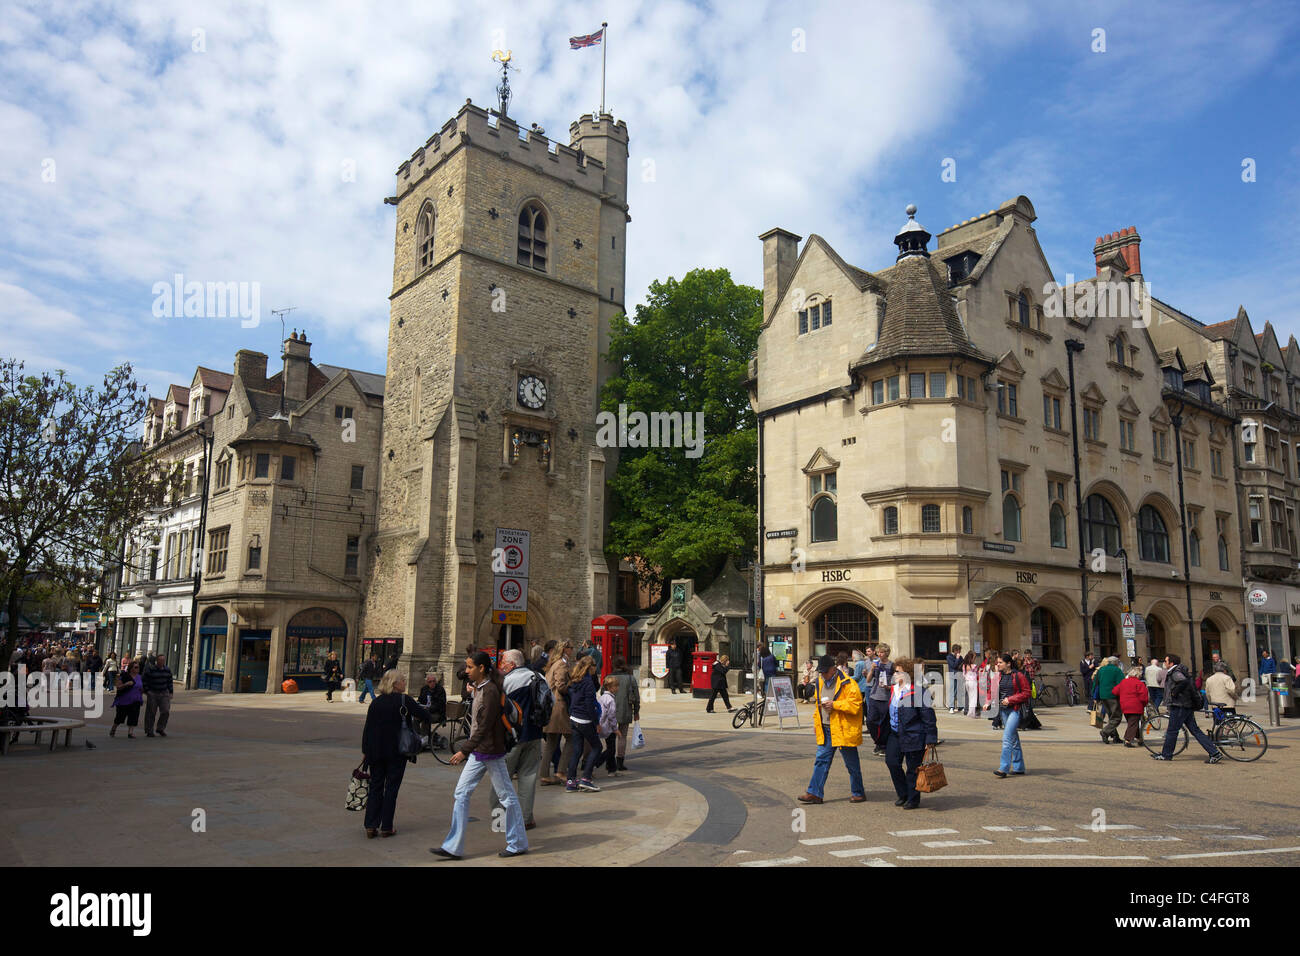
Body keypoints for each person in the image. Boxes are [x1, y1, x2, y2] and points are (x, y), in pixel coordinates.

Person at [431, 652, 528, 859]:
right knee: (461, 793)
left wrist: (463, 750)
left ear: (481, 668)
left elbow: (483, 727)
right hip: (479, 751)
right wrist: (473, 691)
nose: (466, 671)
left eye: (469, 667)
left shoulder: (491, 691)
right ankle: (453, 847)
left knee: (507, 797)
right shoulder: (482, 688)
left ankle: (518, 842)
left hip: (491, 751)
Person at [360, 669, 430, 838]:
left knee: (376, 786)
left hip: (376, 752)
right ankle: (386, 826)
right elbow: (425, 715)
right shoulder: (404, 700)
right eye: (403, 681)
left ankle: (371, 825)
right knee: (391, 788)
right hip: (396, 752)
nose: (405, 683)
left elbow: (367, 729)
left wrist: (365, 751)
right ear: (395, 684)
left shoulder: (376, 703)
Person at [797, 655, 866, 804]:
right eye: (821, 672)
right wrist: (817, 724)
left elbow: (855, 705)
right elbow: (817, 706)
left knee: (851, 764)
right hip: (826, 728)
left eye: (825, 672)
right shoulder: (820, 681)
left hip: (842, 729)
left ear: (833, 669)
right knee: (821, 761)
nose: (822, 675)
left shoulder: (849, 683)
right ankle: (814, 793)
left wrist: (835, 705)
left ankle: (858, 792)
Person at [490, 649, 543, 830]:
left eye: (503, 662)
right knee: (528, 780)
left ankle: (500, 822)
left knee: (501, 781)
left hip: (511, 738)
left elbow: (494, 706)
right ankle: (526, 819)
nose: (501, 665)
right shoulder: (539, 677)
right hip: (535, 735)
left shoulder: (507, 681)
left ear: (512, 665)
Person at [885, 657, 939, 808]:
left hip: (913, 735)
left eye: (897, 672)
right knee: (892, 763)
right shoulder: (893, 690)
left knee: (912, 769)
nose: (894, 674)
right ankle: (903, 793)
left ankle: (913, 798)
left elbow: (928, 717)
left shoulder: (919, 692)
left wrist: (931, 738)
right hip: (895, 733)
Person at [1153, 653, 1222, 763]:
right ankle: (1214, 752)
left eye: (1165, 661)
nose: (1164, 663)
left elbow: (1183, 681)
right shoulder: (1180, 670)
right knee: (1195, 730)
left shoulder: (1176, 672)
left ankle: (1166, 755)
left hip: (1179, 705)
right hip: (1186, 705)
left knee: (1172, 731)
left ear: (1171, 663)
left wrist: (1174, 692)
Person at [564, 655, 603, 792]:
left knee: (577, 750)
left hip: (574, 718)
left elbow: (570, 698)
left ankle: (571, 781)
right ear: (589, 667)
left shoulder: (575, 680)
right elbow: (589, 704)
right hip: (584, 719)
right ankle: (586, 778)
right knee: (597, 747)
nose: (595, 669)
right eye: (594, 666)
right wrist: (596, 723)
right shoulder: (588, 683)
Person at [540, 640, 572, 786]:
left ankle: (544, 775)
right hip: (559, 706)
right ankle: (561, 771)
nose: (572, 650)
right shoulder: (562, 664)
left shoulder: (553, 664)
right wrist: (573, 688)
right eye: (571, 648)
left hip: (551, 705)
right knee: (572, 738)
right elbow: (561, 685)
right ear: (565, 649)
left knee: (551, 742)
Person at [993, 653, 1031, 777]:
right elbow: (994, 691)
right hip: (1004, 711)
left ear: (1008, 663)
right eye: (997, 662)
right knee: (1013, 739)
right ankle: (1019, 767)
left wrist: (1010, 699)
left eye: (1000, 662)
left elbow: (1027, 692)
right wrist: (989, 702)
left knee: (1007, 738)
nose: (997, 664)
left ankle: (1003, 768)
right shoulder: (999, 676)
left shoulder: (1018, 675)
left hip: (1015, 710)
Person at [864, 643, 895, 756]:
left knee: (884, 724)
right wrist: (871, 669)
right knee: (870, 721)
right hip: (874, 695)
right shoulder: (875, 664)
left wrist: (889, 687)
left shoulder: (892, 666)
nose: (879, 654)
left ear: (886, 653)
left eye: (881, 652)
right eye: (878, 652)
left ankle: (882, 746)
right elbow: (868, 680)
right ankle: (878, 742)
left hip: (886, 697)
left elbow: (896, 683)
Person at [610, 656, 639, 772]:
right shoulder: (631, 678)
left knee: (611, 737)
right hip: (625, 709)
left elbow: (602, 694)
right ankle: (620, 762)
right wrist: (636, 711)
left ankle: (609, 761)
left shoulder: (609, 677)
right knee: (622, 736)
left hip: (610, 711)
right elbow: (636, 697)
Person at [1094, 655, 1125, 744]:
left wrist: (1095, 696)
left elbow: (1096, 683)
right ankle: (1105, 732)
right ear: (1116, 663)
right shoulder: (1117, 670)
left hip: (1103, 695)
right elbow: (1121, 684)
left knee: (1111, 717)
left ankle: (1115, 737)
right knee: (1117, 717)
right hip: (1113, 696)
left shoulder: (1101, 669)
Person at [1116, 667, 1149, 747]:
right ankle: (1127, 739)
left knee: (1133, 723)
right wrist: (1144, 704)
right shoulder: (1139, 683)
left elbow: (1115, 691)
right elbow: (1143, 697)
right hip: (1135, 706)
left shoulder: (1124, 682)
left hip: (1125, 705)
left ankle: (1139, 738)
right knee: (1133, 724)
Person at [142, 654, 173, 737]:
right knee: (151, 712)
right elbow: (144, 680)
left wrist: (171, 692)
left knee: (165, 711)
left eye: (163, 660)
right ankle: (149, 730)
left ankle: (160, 728)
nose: (162, 662)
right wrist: (147, 690)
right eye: (160, 660)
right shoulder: (151, 669)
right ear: (157, 661)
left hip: (164, 692)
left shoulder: (167, 670)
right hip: (153, 692)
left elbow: (170, 681)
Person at [110, 662, 143, 738]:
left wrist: (142, 693)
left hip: (136, 700)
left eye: (138, 667)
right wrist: (126, 684)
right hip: (123, 701)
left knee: (134, 716)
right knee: (120, 717)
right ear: (131, 668)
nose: (137, 669)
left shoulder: (139, 677)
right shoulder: (125, 676)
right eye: (136, 667)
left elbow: (141, 687)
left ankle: (130, 732)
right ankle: (114, 728)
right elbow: (118, 687)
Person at [597, 675, 620, 775]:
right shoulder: (611, 700)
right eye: (616, 686)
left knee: (610, 748)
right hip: (608, 727)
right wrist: (615, 728)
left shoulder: (602, 697)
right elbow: (611, 715)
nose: (617, 688)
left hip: (601, 724)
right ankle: (597, 761)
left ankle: (612, 769)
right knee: (611, 749)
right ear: (610, 688)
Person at [945, 644, 963, 714]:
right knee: (952, 691)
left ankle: (960, 707)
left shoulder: (960, 657)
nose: (960, 652)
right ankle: (951, 707)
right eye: (959, 650)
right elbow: (953, 666)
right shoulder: (949, 657)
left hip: (959, 675)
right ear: (955, 650)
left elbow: (962, 664)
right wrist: (957, 659)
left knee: (959, 691)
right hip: (952, 675)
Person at [963, 652, 981, 718]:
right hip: (973, 682)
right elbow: (977, 673)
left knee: (970, 698)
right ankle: (972, 713)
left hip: (967, 682)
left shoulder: (964, 665)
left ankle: (970, 712)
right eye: (974, 657)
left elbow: (963, 674)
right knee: (973, 698)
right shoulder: (974, 666)